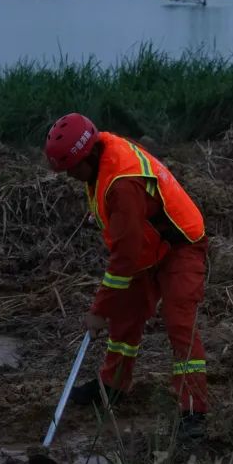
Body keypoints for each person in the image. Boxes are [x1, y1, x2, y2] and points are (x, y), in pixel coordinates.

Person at [43, 113, 209, 436]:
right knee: (126, 319)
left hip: (180, 243)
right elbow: (129, 252)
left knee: (179, 323)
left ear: (84, 158)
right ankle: (113, 386)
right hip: (149, 243)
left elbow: (125, 258)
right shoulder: (101, 154)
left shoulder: (121, 184)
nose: (70, 177)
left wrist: (99, 310)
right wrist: (110, 310)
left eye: (70, 171)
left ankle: (194, 411)